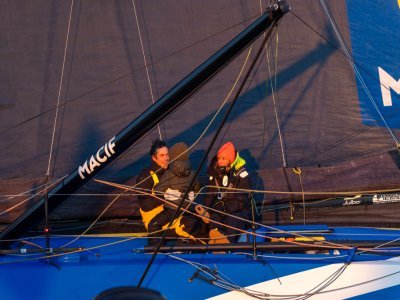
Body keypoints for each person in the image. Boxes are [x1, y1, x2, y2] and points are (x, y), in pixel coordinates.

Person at [135, 139, 198, 243]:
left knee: (195, 222)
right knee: (187, 225)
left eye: (167, 155)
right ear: (154, 158)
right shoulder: (146, 176)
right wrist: (165, 196)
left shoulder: (173, 171)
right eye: (162, 155)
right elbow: (145, 205)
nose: (166, 158)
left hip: (173, 213)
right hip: (156, 221)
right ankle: (157, 251)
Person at [203, 141, 252, 244]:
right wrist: (210, 208)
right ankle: (217, 238)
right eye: (219, 158)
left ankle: (225, 243)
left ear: (231, 160)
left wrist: (225, 207)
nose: (220, 161)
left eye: (223, 159)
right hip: (219, 209)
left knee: (232, 219)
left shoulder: (242, 175)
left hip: (238, 211)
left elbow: (242, 200)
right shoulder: (215, 175)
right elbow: (209, 196)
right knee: (214, 218)